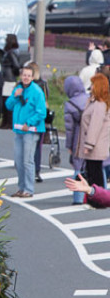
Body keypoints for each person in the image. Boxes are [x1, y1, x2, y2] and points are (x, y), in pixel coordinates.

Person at [6, 63, 46, 198]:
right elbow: (8, 106)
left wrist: (28, 123)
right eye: (24, 75)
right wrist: (15, 96)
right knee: (18, 160)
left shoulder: (37, 91)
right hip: (18, 130)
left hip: (30, 130)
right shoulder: (17, 89)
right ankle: (21, 187)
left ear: (33, 77)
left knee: (27, 160)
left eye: (29, 75)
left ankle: (28, 189)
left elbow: (41, 112)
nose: (26, 78)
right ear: (21, 76)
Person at [78, 73, 110, 189]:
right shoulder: (96, 102)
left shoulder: (99, 105)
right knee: (94, 173)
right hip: (96, 145)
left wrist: (88, 144)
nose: (91, 86)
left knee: (94, 175)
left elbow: (94, 126)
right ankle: (96, 199)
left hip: (95, 146)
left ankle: (97, 200)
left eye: (93, 84)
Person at [65, 75, 91, 204]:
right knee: (95, 167)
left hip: (79, 138)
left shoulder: (70, 105)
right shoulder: (90, 98)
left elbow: (69, 129)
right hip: (93, 136)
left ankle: (78, 198)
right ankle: (96, 195)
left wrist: (69, 145)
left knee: (78, 167)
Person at [0, 34, 22, 129]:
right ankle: (6, 122)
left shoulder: (10, 53)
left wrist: (15, 73)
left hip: (8, 79)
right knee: (6, 100)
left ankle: (8, 122)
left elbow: (16, 66)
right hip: (9, 78)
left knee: (7, 100)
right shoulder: (14, 51)